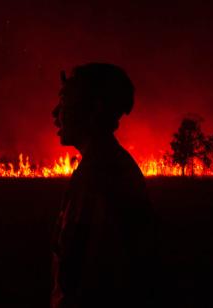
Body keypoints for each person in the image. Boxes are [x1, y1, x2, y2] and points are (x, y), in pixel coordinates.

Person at [51, 63, 156, 308]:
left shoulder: (102, 175)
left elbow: (90, 274)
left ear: (95, 108)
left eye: (65, 100)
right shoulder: (99, 167)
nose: (56, 112)